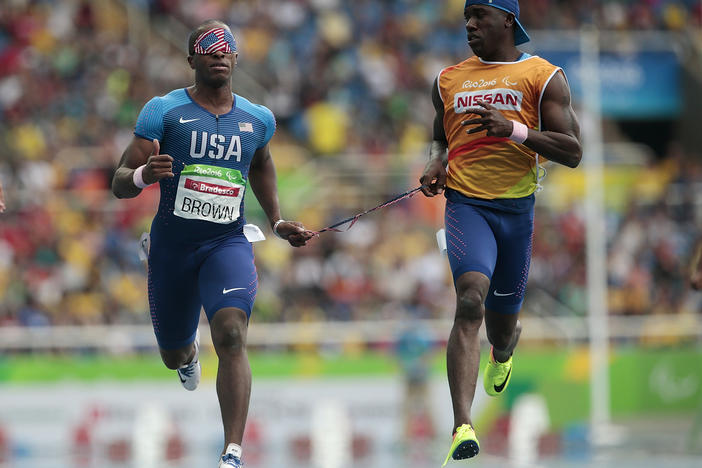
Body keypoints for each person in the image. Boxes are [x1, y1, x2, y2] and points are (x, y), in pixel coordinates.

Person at [111, 20, 313, 468]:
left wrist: (276, 221)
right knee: (173, 354)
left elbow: (261, 165)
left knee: (232, 333)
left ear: (237, 60)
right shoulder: (163, 112)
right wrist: (146, 175)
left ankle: (232, 452)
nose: (219, 54)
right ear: (192, 60)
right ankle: (187, 355)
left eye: (227, 48)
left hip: (227, 242)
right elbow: (119, 182)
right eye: (208, 47)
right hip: (172, 250)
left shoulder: (257, 119)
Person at [418, 1, 582, 464]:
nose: (469, 24)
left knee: (500, 324)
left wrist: (512, 129)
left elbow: (572, 150)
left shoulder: (543, 76)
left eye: (480, 16)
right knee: (470, 300)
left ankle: (504, 349)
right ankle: (462, 426)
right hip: (466, 205)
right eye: (466, 17)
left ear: (507, 20)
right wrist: (435, 159)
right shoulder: (448, 78)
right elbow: (440, 128)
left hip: (516, 212)